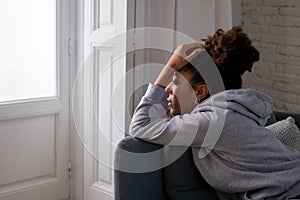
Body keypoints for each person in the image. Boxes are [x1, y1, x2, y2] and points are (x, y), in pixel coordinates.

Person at [129, 26, 300, 199]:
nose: (167, 88)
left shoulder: (212, 121)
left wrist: (172, 63)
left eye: (175, 81)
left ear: (200, 92)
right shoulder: (226, 113)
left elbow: (140, 125)